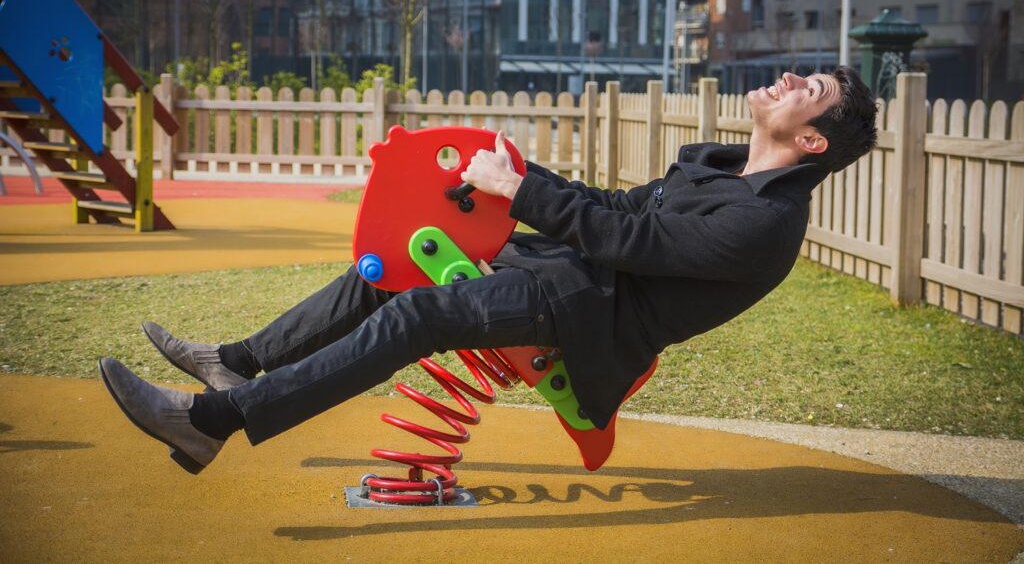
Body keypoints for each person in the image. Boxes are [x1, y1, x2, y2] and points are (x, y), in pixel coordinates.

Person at [99, 67, 878, 474]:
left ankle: (212, 424)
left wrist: (524, 191)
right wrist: (516, 168)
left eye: (807, 90)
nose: (787, 81)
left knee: (420, 313)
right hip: (567, 274)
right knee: (394, 267)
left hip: (588, 319)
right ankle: (236, 365)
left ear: (813, 142)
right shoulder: (725, 171)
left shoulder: (765, 226)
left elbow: (621, 243)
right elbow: (615, 204)